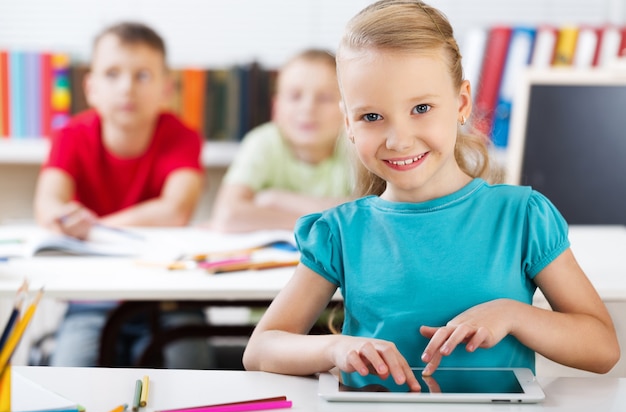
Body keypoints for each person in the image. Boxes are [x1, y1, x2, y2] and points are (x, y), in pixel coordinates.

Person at [243, 0, 620, 392]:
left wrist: (514, 315)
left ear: (461, 103)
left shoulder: (521, 217)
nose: (399, 139)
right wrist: (335, 348)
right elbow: (260, 350)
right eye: (371, 116)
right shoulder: (340, 231)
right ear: (349, 124)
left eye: (421, 108)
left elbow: (602, 348)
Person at [33, 21, 213, 368]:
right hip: (92, 297)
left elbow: (175, 210)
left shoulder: (182, 137)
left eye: (142, 75)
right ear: (91, 87)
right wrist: (69, 219)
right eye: (112, 74)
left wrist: (94, 228)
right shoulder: (70, 136)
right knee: (69, 376)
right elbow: (47, 206)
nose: (127, 88)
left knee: (192, 370)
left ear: (166, 89)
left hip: (170, 297)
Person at [208, 49, 353, 233]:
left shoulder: (354, 148)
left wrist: (275, 200)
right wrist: (316, 223)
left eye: (324, 98)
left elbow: (367, 214)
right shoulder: (263, 141)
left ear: (347, 108)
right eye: (294, 96)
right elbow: (227, 215)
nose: (308, 108)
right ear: (276, 107)